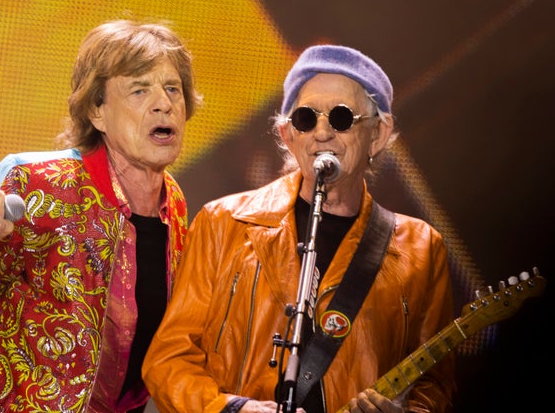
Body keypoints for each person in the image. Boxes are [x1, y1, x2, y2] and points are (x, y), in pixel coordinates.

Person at [142, 45, 456, 413]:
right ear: (288, 135)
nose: (322, 133)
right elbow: (168, 360)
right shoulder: (222, 222)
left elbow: (435, 385)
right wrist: (232, 409)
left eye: (341, 118)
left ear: (379, 133)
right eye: (306, 119)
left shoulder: (421, 247)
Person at [0, 19, 202, 413]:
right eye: (139, 89)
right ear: (96, 111)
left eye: (173, 88)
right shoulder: (34, 184)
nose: (163, 103)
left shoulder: (175, 202)